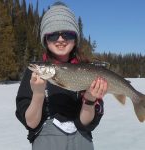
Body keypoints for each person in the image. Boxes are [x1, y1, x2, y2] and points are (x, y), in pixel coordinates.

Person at [15, 2, 108, 150]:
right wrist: (38, 94)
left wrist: (90, 100)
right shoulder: (34, 73)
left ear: (75, 38)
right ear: (45, 39)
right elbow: (31, 123)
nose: (60, 39)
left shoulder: (89, 70)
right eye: (53, 35)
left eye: (67, 34)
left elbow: (86, 123)